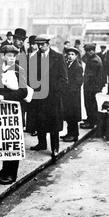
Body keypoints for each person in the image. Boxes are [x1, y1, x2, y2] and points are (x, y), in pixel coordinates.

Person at [0, 45, 28, 185]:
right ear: (3, 56)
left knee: (13, 139)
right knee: (3, 138)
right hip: (2, 109)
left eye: (14, 56)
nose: (12, 58)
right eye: (9, 55)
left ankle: (12, 173)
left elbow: (23, 92)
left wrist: (4, 96)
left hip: (14, 109)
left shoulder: (19, 70)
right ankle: (4, 169)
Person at [30, 34, 68, 163]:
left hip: (53, 97)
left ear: (48, 43)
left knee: (54, 123)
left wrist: (57, 91)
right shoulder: (34, 57)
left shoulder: (58, 57)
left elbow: (64, 78)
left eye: (42, 44)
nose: (40, 47)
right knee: (40, 120)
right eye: (38, 45)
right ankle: (41, 143)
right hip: (40, 96)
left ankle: (55, 148)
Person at [61, 47, 84, 143]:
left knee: (73, 116)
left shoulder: (77, 66)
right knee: (69, 115)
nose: (70, 56)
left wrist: (69, 90)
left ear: (76, 56)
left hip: (73, 96)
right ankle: (69, 133)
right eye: (69, 54)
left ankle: (74, 135)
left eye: (72, 55)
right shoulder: (67, 64)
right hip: (68, 95)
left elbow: (78, 82)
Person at [80, 44, 103, 130]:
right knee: (91, 103)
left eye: (90, 51)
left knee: (90, 103)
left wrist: (84, 80)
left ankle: (91, 122)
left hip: (91, 85)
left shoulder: (94, 61)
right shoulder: (93, 58)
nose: (89, 52)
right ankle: (91, 119)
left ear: (93, 50)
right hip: (91, 85)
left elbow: (91, 75)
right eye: (87, 51)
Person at [25, 35, 38, 136]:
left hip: (36, 83)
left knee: (36, 107)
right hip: (28, 82)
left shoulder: (39, 55)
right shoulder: (28, 53)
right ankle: (29, 127)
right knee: (29, 105)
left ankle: (35, 128)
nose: (32, 46)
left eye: (34, 44)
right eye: (31, 44)